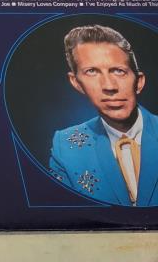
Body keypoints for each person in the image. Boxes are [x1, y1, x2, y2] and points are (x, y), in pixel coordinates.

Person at [49, 24, 158, 207]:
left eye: (119, 71)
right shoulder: (65, 146)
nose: (109, 86)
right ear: (76, 83)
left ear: (138, 82)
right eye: (91, 72)